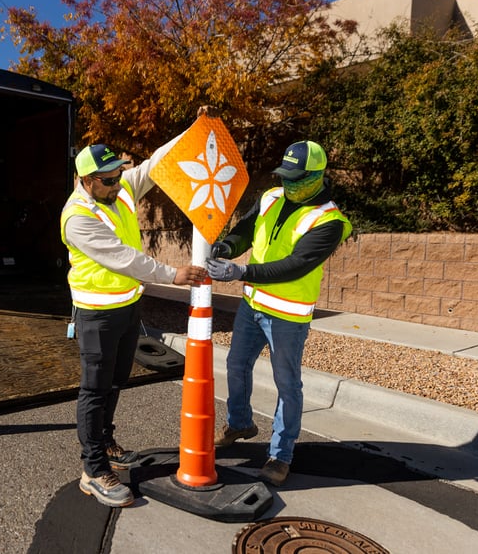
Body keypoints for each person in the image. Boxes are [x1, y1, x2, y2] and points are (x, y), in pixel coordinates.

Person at [61, 142, 208, 508]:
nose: (117, 185)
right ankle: (93, 470)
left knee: (116, 381)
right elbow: (123, 258)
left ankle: (106, 443)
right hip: (96, 313)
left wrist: (193, 130)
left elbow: (155, 164)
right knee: (94, 389)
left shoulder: (121, 187)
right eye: (108, 181)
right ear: (86, 180)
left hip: (127, 307)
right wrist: (172, 274)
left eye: (118, 176)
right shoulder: (78, 217)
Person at [205, 140, 351, 486]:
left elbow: (295, 265)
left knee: (287, 383)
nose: (289, 184)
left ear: (318, 176)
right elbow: (247, 228)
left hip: (287, 315)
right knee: (235, 365)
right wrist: (228, 245)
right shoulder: (271, 197)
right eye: (285, 176)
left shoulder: (329, 221)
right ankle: (240, 423)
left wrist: (242, 273)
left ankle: (280, 454)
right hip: (253, 305)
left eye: (297, 179)